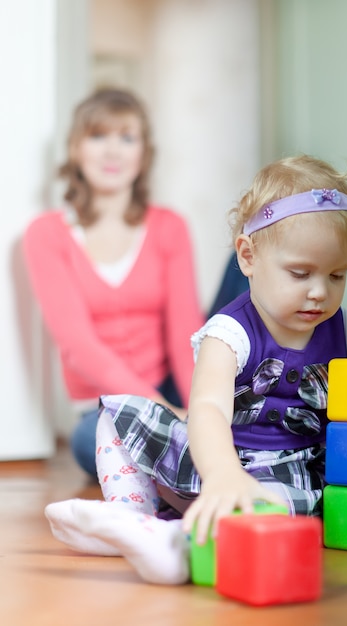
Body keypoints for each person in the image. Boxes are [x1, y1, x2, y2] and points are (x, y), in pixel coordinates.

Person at [44, 154, 347, 586]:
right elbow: (206, 411)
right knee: (119, 413)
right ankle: (134, 515)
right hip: (214, 456)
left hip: (289, 469)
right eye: (300, 273)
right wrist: (224, 475)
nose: (320, 292)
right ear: (248, 257)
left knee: (281, 508)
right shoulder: (228, 333)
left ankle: (177, 545)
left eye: (337, 275)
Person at [23, 88, 204, 479]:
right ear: (75, 148)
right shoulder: (46, 234)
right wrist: (166, 413)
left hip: (174, 387)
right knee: (90, 443)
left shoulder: (169, 226)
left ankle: (202, 446)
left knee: (251, 261)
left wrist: (202, 411)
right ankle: (198, 454)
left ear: (143, 154)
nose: (113, 151)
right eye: (98, 136)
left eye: (127, 137)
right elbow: (78, 346)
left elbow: (185, 332)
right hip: (104, 407)